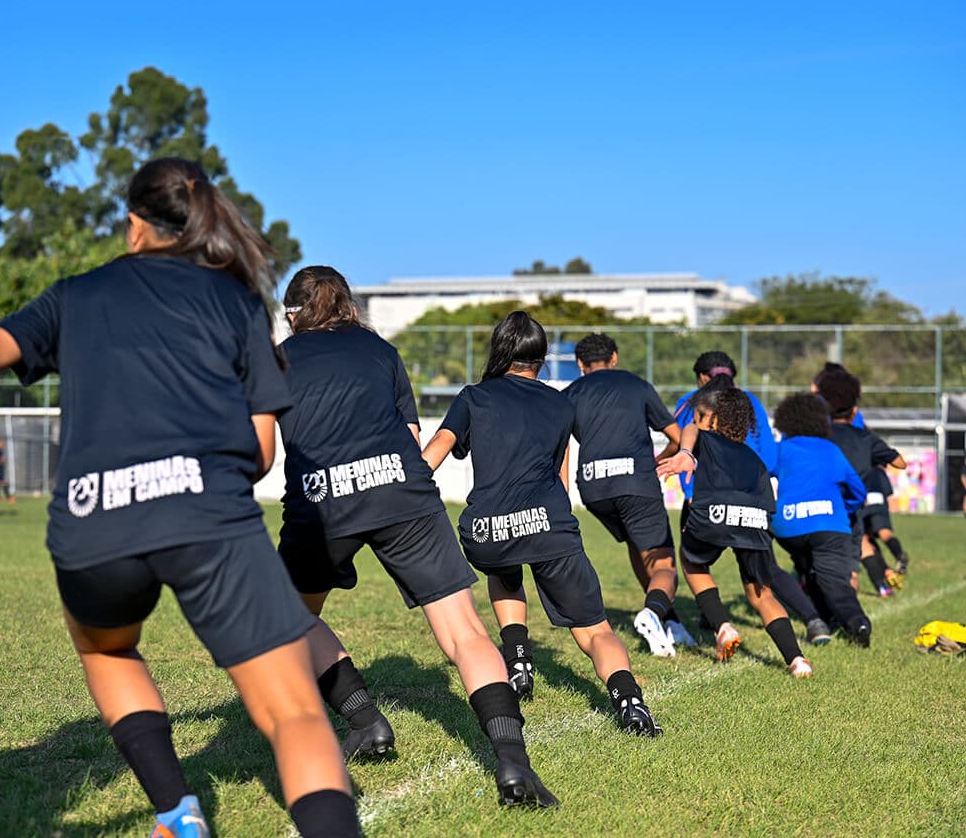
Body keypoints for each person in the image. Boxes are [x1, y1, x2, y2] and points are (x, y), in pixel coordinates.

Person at [0, 159, 359, 838]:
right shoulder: (237, 301)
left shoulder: (76, 295)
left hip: (94, 523)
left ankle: (178, 814)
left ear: (134, 224)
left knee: (107, 650)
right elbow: (262, 453)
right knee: (294, 715)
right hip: (208, 518)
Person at [276, 268, 557, 809]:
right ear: (349, 308)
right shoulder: (381, 351)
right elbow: (410, 436)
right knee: (464, 632)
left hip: (323, 498)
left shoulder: (278, 360)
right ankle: (514, 765)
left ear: (294, 315)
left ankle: (364, 718)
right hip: (402, 488)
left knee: (285, 617)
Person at [422, 312, 663, 736]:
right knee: (595, 630)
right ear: (542, 356)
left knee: (504, 570)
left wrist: (407, 485)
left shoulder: (474, 396)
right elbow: (561, 473)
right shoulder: (560, 403)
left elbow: (441, 446)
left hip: (487, 532)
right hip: (549, 525)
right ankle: (631, 703)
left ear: (500, 350)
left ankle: (517, 660)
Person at [670, 356, 831, 646]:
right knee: (764, 570)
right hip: (753, 496)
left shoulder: (692, 401)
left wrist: (691, 487)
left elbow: (687, 442)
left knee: (694, 560)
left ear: (702, 378)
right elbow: (768, 456)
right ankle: (813, 620)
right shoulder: (750, 402)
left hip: (706, 495)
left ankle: (716, 622)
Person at [657, 384, 812, 678]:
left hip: (717, 513)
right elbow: (768, 500)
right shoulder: (753, 458)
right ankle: (797, 660)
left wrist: (687, 453)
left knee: (691, 560)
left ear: (714, 419)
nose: (696, 419)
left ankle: (723, 626)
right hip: (756, 516)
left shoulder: (705, 437)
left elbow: (689, 430)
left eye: (701, 414)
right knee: (761, 594)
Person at [561, 332, 695, 657]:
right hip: (635, 484)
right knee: (664, 563)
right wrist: (659, 462)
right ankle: (653, 614)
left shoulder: (568, 394)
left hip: (593, 489)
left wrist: (563, 497)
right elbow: (676, 437)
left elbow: (560, 447)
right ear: (615, 358)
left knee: (638, 545)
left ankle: (671, 622)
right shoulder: (637, 385)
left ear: (580, 364)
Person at [770, 394, 872, 647]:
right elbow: (858, 491)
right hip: (829, 525)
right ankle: (857, 622)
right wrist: (841, 509)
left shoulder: (781, 449)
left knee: (807, 567)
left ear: (785, 422)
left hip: (788, 526)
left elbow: (758, 474)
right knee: (834, 579)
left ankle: (819, 619)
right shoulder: (831, 450)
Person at [813, 367, 906, 595]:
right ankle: (850, 615)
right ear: (854, 411)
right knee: (851, 568)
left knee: (821, 565)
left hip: (820, 509)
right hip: (851, 511)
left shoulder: (818, 434)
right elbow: (900, 462)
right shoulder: (866, 437)